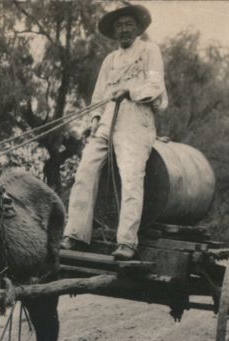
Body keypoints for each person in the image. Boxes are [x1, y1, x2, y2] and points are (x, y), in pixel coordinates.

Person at [61, 2, 168, 260]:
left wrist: (131, 91)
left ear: (138, 28)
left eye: (129, 25)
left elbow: (156, 85)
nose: (124, 30)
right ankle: (75, 234)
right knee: (85, 171)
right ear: (113, 32)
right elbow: (98, 96)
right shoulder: (110, 60)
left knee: (131, 178)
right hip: (108, 120)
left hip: (136, 120)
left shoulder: (150, 50)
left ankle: (127, 242)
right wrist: (95, 119)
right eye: (119, 26)